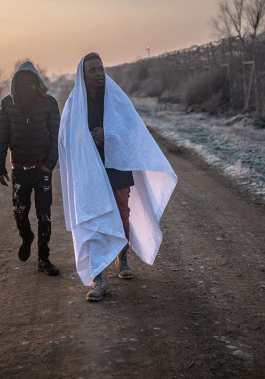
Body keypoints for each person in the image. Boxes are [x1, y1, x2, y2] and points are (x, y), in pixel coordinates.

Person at [59, 53, 177, 301]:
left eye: (100, 68)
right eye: (92, 70)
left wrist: (108, 134)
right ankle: (99, 279)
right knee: (94, 221)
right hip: (89, 172)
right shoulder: (74, 104)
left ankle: (122, 257)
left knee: (122, 217)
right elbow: (66, 139)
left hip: (117, 166)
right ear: (83, 75)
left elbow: (132, 130)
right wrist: (86, 141)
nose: (98, 74)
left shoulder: (116, 98)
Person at [0, 62, 61, 276]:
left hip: (42, 171)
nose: (27, 87)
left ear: (37, 83)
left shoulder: (49, 103)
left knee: (44, 216)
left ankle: (43, 258)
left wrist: (49, 165)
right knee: (20, 212)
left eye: (30, 82)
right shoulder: (7, 104)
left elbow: (56, 137)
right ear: (15, 84)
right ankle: (26, 237)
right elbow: (2, 135)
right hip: (19, 170)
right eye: (22, 82)